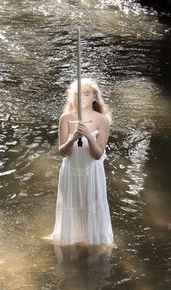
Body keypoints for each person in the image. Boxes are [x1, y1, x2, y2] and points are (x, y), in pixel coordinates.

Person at [49, 77, 114, 246]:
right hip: (71, 170)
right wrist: (73, 139)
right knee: (73, 207)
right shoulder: (66, 118)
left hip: (92, 172)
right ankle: (73, 242)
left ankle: (92, 243)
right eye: (78, 94)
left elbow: (98, 155)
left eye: (87, 94)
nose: (82, 97)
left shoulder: (102, 120)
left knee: (91, 206)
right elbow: (63, 152)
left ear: (94, 97)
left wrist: (88, 137)